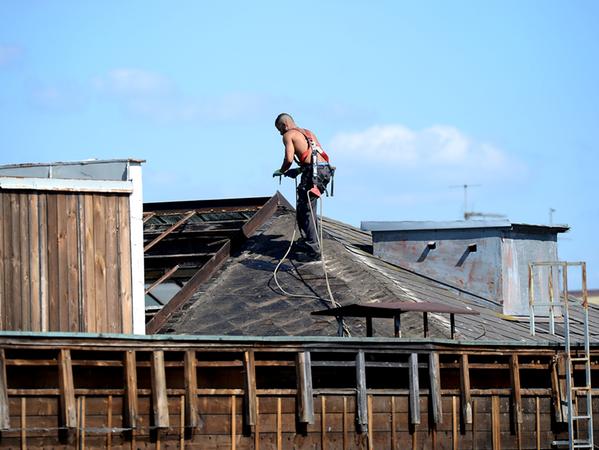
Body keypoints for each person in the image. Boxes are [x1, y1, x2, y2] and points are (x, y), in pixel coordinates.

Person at [273, 113, 332, 261]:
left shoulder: (288, 135)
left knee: (306, 210)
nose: (280, 132)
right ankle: (310, 241)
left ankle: (313, 250)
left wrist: (283, 170)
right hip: (324, 170)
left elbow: (289, 158)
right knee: (306, 208)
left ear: (285, 125)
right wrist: (299, 170)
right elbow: (314, 156)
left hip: (313, 173)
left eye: (279, 129)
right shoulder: (308, 132)